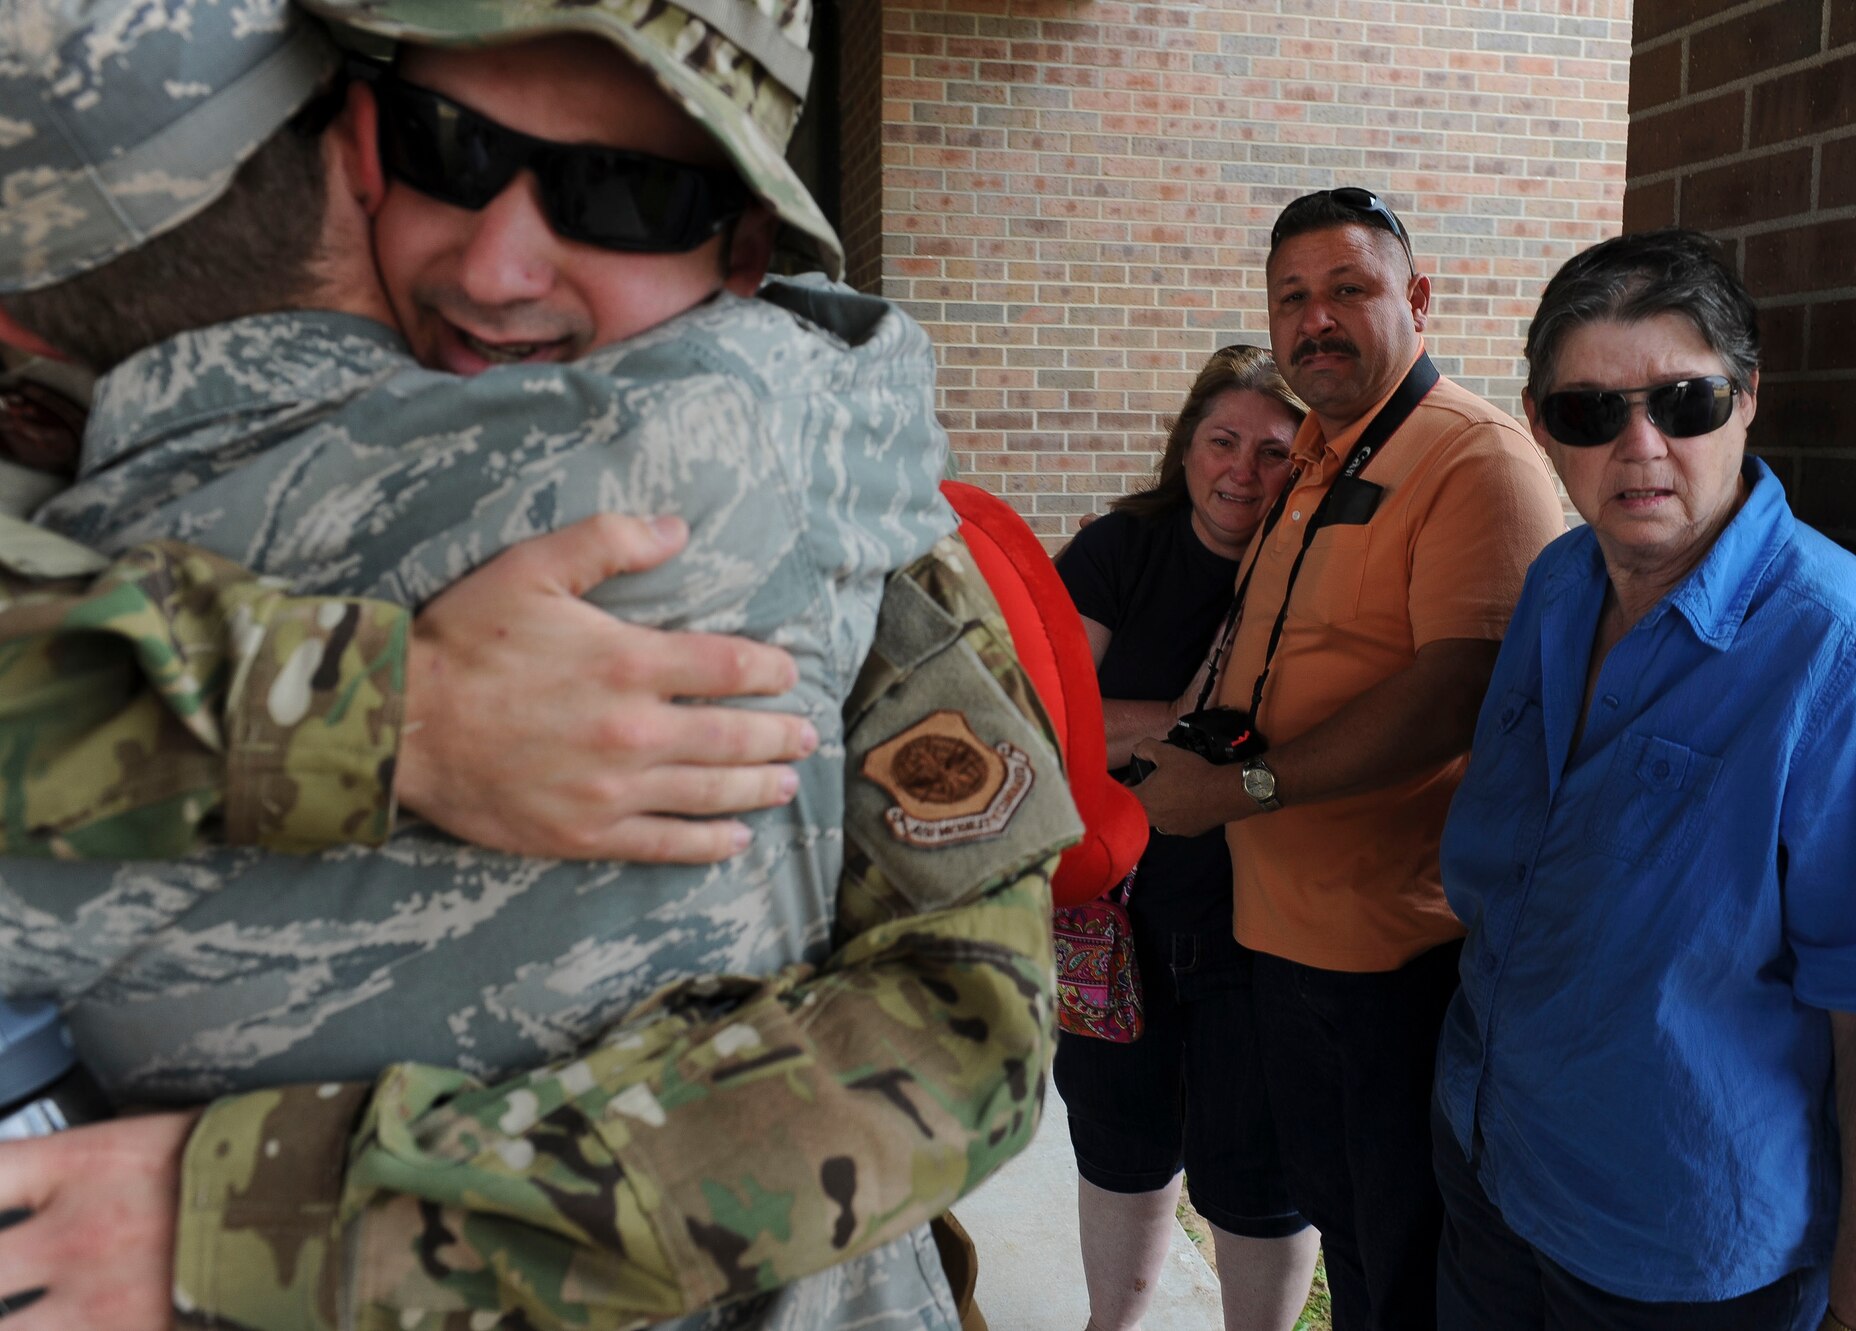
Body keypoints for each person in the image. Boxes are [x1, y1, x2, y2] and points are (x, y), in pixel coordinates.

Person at [0, 4, 1071, 1330]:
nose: (501, 266)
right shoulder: (119, 435)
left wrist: (310, 1223)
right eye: (450, 149)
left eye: (617, 195)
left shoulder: (844, 537)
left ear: (740, 254)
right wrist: (385, 707)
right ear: (359, 147)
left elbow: (966, 1033)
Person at [1431, 227, 1856, 1331]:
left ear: (1745, 400)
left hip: (1676, 1245)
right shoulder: (1557, 580)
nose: (1638, 445)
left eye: (1681, 401)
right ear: (1542, 426)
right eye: (1588, 412)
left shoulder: (1844, 647)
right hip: (1492, 1155)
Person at [1129, 188, 1566, 1331]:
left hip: (1394, 957)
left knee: (1405, 1261)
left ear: (1416, 299)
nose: (1314, 319)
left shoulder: (1471, 457)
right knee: (1343, 1239)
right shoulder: (1314, 455)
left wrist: (1234, 789)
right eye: (1292, 298)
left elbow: (1456, 690)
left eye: (1347, 289)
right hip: (1279, 935)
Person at [1052, 344, 1319, 1331]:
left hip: (1262, 922)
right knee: (1118, 1138)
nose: (1240, 470)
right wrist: (1178, 714)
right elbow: (1047, 716)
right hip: (1114, 914)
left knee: (1257, 1170)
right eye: (1222, 440)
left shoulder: (1318, 566)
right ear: (1186, 447)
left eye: (1273, 451)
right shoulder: (1119, 549)